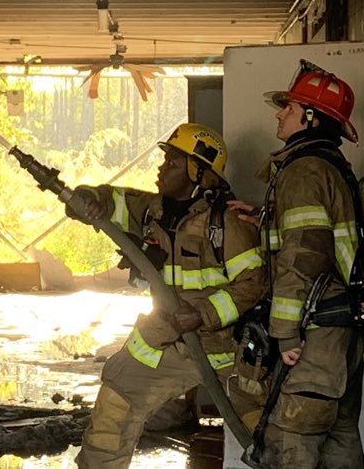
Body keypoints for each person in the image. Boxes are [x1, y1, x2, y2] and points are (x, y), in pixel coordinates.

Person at [68, 123, 267, 469]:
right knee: (113, 409)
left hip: (225, 352)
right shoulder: (153, 211)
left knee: (268, 437)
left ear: (197, 170)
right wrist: (86, 198)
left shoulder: (227, 223)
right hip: (165, 339)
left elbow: (254, 283)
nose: (162, 168)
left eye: (173, 161)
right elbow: (112, 201)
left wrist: (202, 314)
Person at [234, 60, 364, 469]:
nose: (279, 115)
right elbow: (317, 234)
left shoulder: (304, 171)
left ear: (310, 118)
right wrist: (265, 218)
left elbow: (303, 255)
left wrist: (285, 333)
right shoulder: (329, 166)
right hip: (342, 333)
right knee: (340, 446)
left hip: (315, 336)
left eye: (289, 108)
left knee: (290, 444)